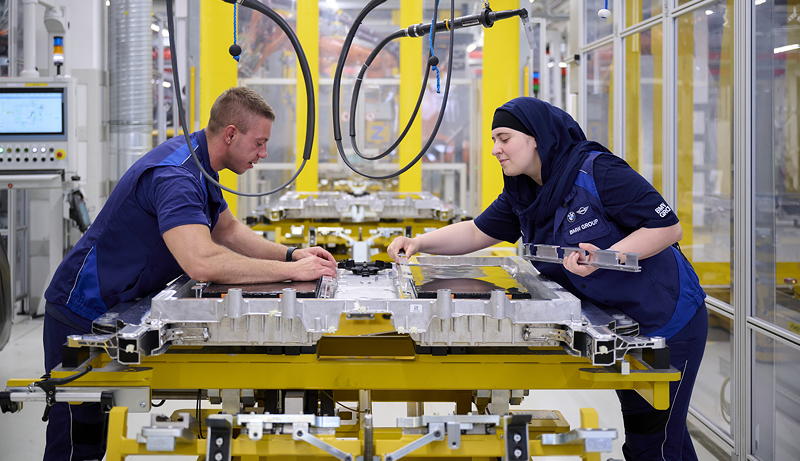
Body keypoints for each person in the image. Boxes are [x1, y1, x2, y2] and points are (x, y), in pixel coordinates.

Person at [388, 96, 707, 461]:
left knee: (654, 438)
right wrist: (419, 243)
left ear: (536, 138)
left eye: (504, 138)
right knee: (657, 434)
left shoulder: (597, 172)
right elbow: (478, 232)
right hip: (620, 325)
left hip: (667, 318)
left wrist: (605, 258)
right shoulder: (525, 192)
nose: (495, 150)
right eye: (493, 140)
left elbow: (667, 227)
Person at [41, 87, 337, 461]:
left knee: (98, 432)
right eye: (259, 143)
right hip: (83, 312)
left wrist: (291, 254)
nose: (263, 153)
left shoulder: (200, 162)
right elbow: (202, 262)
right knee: (78, 440)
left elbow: (227, 229)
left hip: (120, 307)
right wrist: (291, 271)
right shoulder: (175, 176)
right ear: (230, 134)